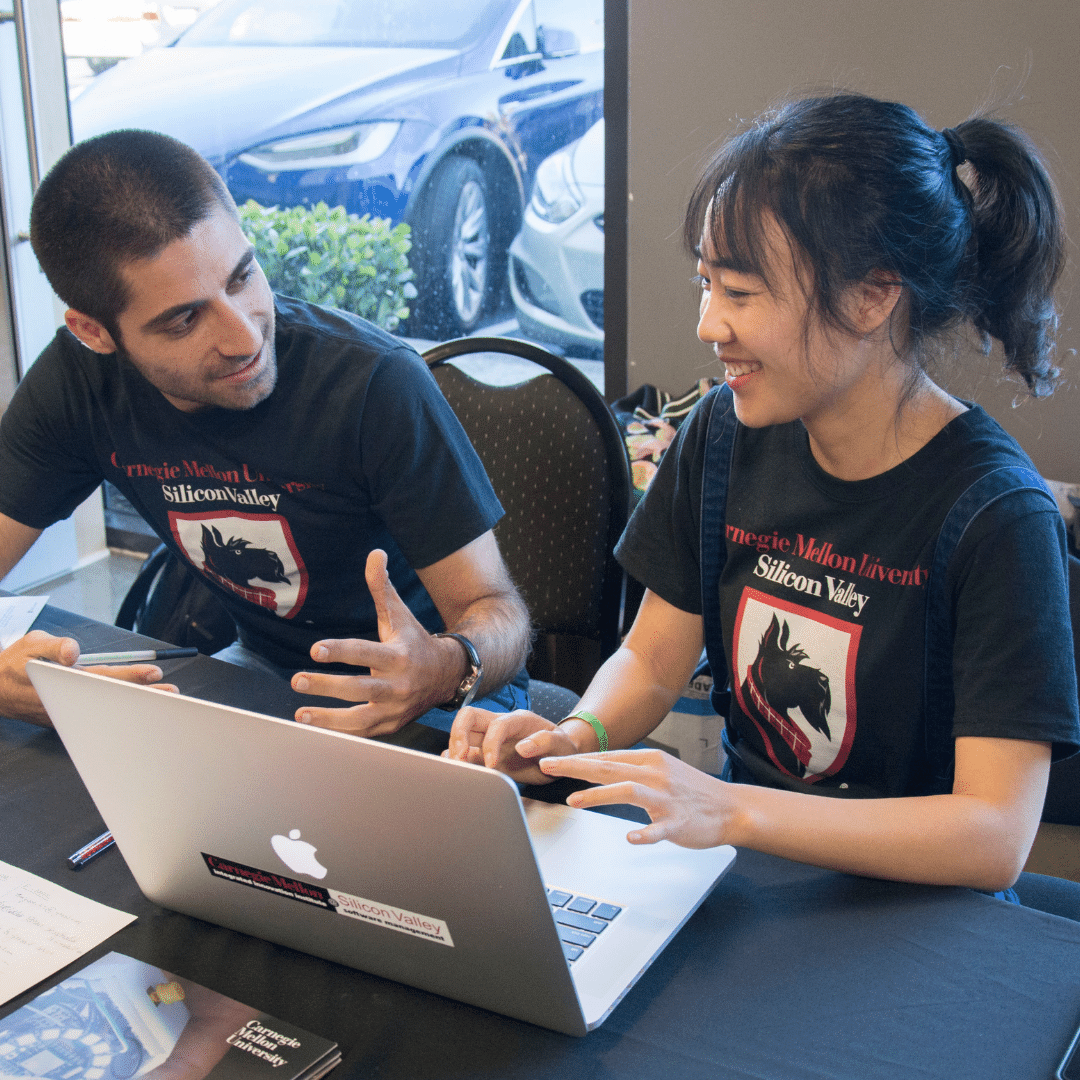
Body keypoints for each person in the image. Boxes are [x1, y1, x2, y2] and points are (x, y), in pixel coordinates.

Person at [448, 92, 1080, 899]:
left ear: (872, 296)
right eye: (705, 284)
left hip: (915, 916)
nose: (711, 324)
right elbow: (649, 657)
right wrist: (572, 738)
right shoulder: (723, 432)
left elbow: (992, 834)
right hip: (743, 871)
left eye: (741, 293)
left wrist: (735, 811)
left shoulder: (997, 515)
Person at [0, 129, 530, 735]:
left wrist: (441, 666)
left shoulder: (373, 384)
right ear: (95, 333)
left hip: (443, 696)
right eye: (184, 320)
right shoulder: (77, 383)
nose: (246, 338)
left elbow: (499, 613)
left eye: (241, 277)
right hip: (262, 668)